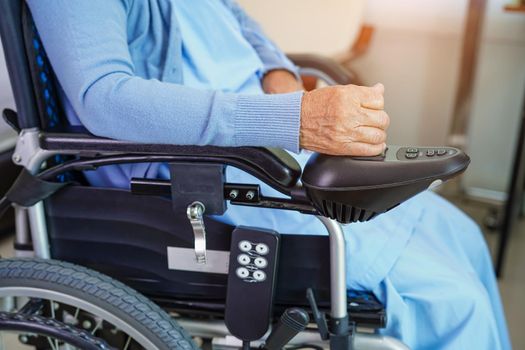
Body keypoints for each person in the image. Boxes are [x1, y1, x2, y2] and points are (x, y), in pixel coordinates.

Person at [26, 1, 511, 349]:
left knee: (463, 235)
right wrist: (296, 117)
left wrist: (280, 79)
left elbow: (238, 22)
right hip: (202, 174)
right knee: (452, 302)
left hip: (265, 145)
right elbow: (105, 98)